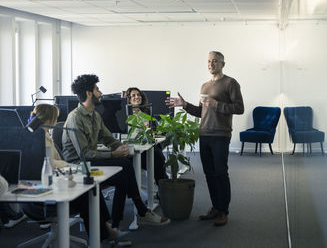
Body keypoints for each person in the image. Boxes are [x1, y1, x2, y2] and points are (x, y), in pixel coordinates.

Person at [62, 74, 170, 230]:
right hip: (79, 167)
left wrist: (122, 148)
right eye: (97, 89)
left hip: (90, 161)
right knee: (124, 165)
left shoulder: (95, 115)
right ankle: (140, 212)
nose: (100, 93)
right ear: (88, 93)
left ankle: (115, 226)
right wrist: (113, 154)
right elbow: (84, 154)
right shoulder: (75, 118)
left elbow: (107, 138)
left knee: (123, 175)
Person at [24, 104, 127, 246]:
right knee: (87, 194)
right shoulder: (38, 137)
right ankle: (102, 235)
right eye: (55, 119)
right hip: (46, 192)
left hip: (55, 180)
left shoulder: (45, 133)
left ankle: (104, 231)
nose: (56, 122)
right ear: (50, 119)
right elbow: (47, 161)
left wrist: (67, 166)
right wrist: (67, 165)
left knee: (91, 187)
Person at [166, 51, 244, 226]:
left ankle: (224, 211)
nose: (211, 64)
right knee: (209, 174)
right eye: (209, 61)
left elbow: (239, 108)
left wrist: (217, 104)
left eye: (214, 61)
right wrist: (184, 105)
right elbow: (202, 112)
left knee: (221, 173)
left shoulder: (231, 83)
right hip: (204, 134)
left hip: (221, 134)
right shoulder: (204, 86)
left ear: (222, 64)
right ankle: (215, 207)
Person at [125, 87, 169, 185]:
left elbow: (151, 129)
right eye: (133, 95)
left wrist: (151, 132)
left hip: (145, 147)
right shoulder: (125, 115)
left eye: (139, 95)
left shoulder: (144, 113)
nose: (137, 97)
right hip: (132, 150)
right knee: (158, 157)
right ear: (128, 99)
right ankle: (162, 186)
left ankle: (163, 187)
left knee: (157, 155)